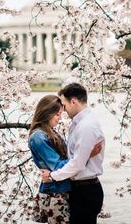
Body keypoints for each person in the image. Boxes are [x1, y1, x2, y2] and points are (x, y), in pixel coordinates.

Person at [28, 95, 102, 224]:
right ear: (47, 113)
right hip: (56, 192)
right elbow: (57, 165)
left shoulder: (49, 132)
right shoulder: (38, 137)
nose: (60, 118)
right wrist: (86, 154)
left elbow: (67, 157)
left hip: (63, 187)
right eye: (57, 114)